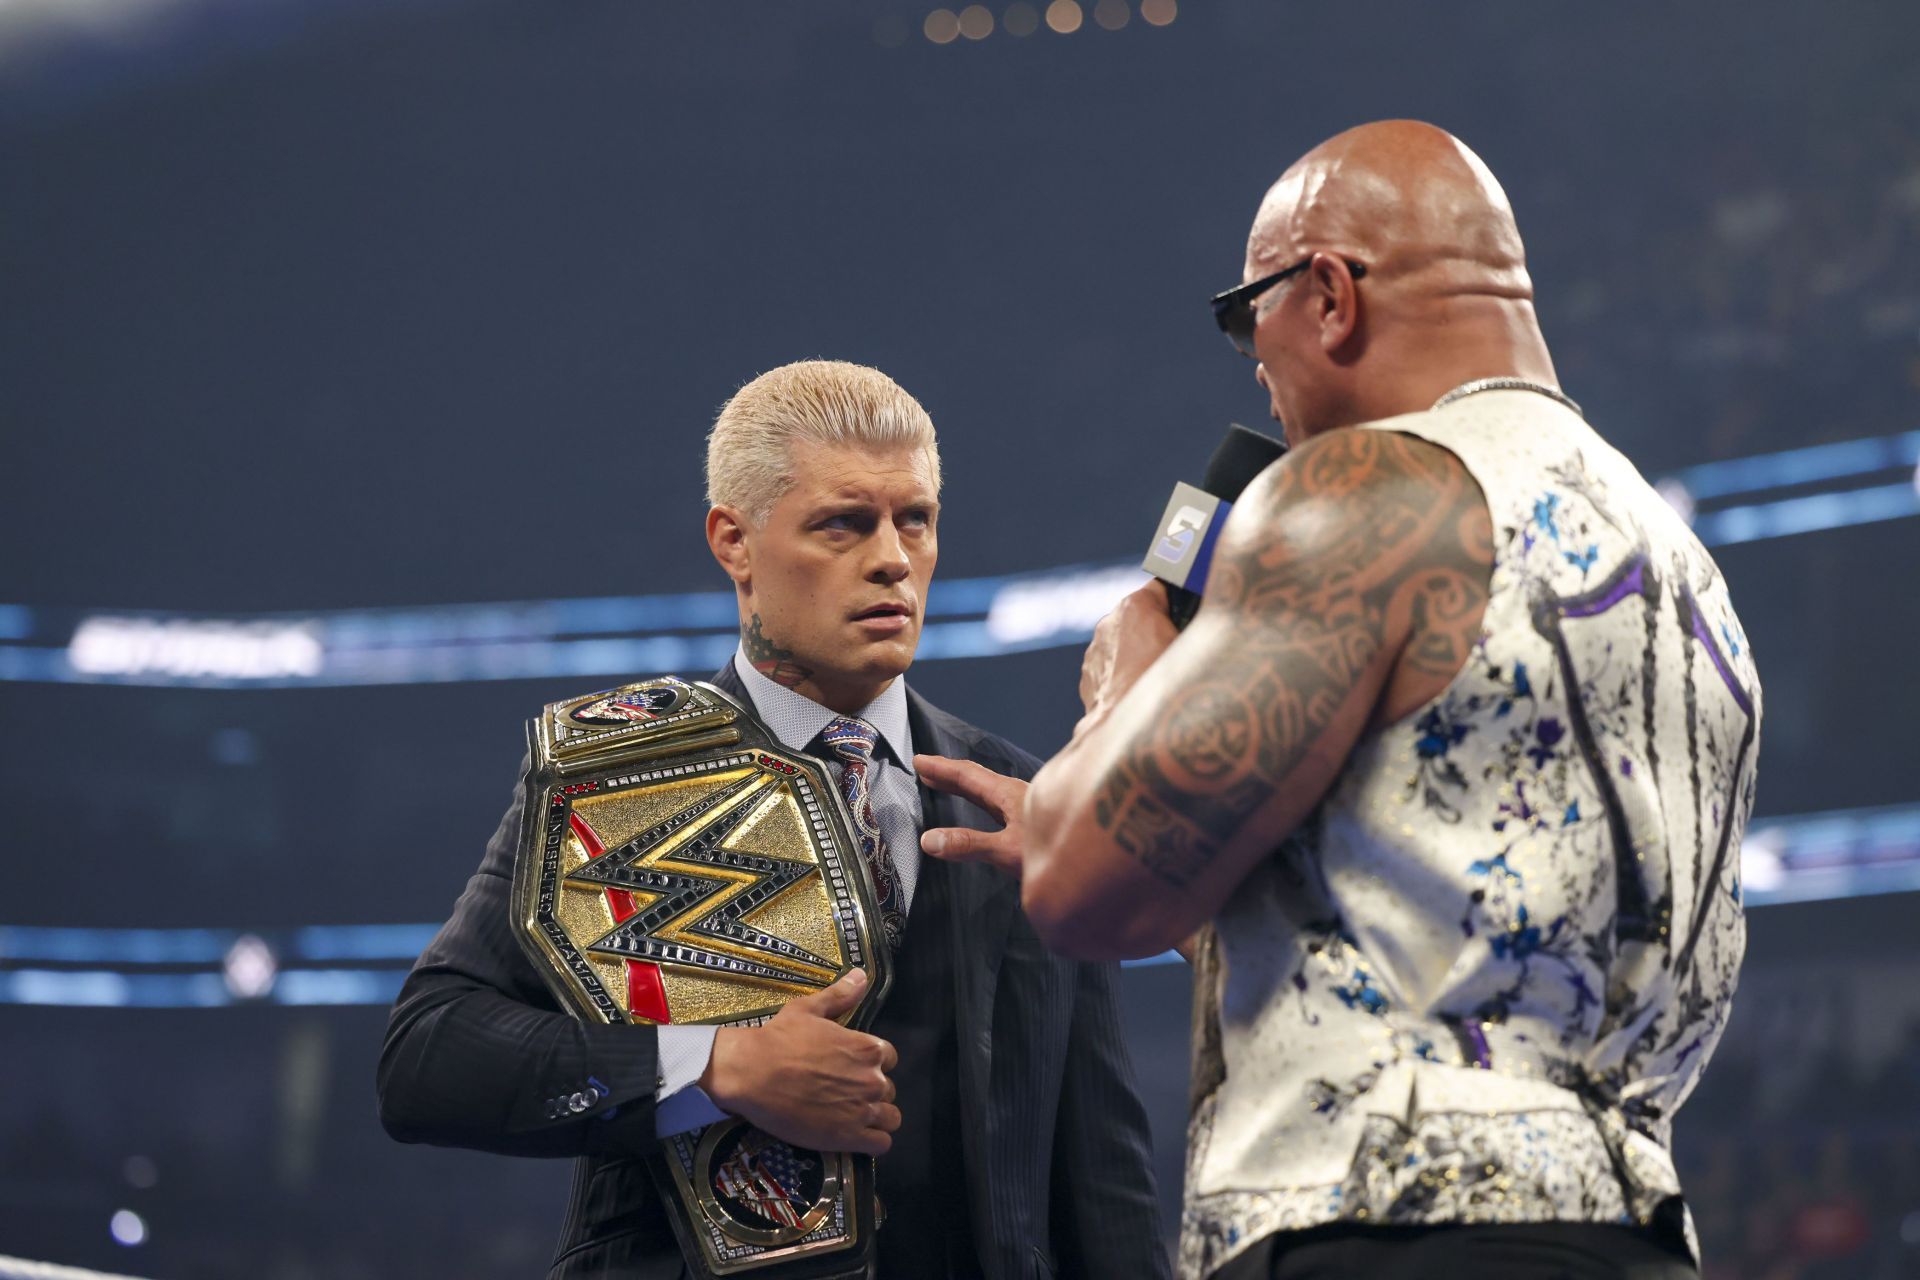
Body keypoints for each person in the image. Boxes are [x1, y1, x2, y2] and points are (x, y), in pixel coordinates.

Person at [920, 122, 1761, 1279]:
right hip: (1634, 1229)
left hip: (1379, 1221)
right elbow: (1448, 895)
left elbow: (1084, 895)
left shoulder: (1367, 490)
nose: (1253, 363)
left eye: (1246, 314)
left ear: (1327, 293)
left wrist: (1128, 688)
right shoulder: (1682, 563)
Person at [377, 360, 1168, 1280]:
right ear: (734, 541)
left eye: (915, 519)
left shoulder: (1021, 798)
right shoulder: (620, 775)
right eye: (844, 522)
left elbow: (1105, 1178)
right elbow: (426, 1057)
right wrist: (713, 1070)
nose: (893, 558)